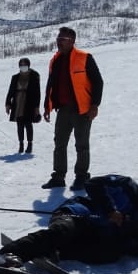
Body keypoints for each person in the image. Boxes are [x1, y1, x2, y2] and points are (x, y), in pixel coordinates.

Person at [0, 174, 138, 266]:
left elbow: (125, 244)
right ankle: (8, 254)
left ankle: (57, 252)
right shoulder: (127, 186)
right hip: (77, 213)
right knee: (63, 231)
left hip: (93, 234)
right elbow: (93, 184)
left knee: (111, 254)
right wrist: (110, 210)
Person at [41, 27, 104, 190]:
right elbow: (50, 85)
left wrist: (95, 105)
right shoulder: (55, 60)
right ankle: (58, 177)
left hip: (82, 109)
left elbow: (98, 82)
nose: (59, 41)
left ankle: (82, 177)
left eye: (63, 39)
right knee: (59, 143)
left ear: (72, 42)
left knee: (81, 144)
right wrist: (47, 106)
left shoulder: (84, 58)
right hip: (62, 109)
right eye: (58, 38)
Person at [5, 58, 41, 154]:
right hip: (18, 102)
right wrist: (8, 104)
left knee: (28, 124)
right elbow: (11, 91)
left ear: (28, 65)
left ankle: (30, 144)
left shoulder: (34, 76)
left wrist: (37, 107)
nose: (23, 66)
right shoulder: (15, 77)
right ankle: (21, 144)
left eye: (25, 64)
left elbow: (37, 93)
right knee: (19, 124)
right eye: (21, 65)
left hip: (29, 102)